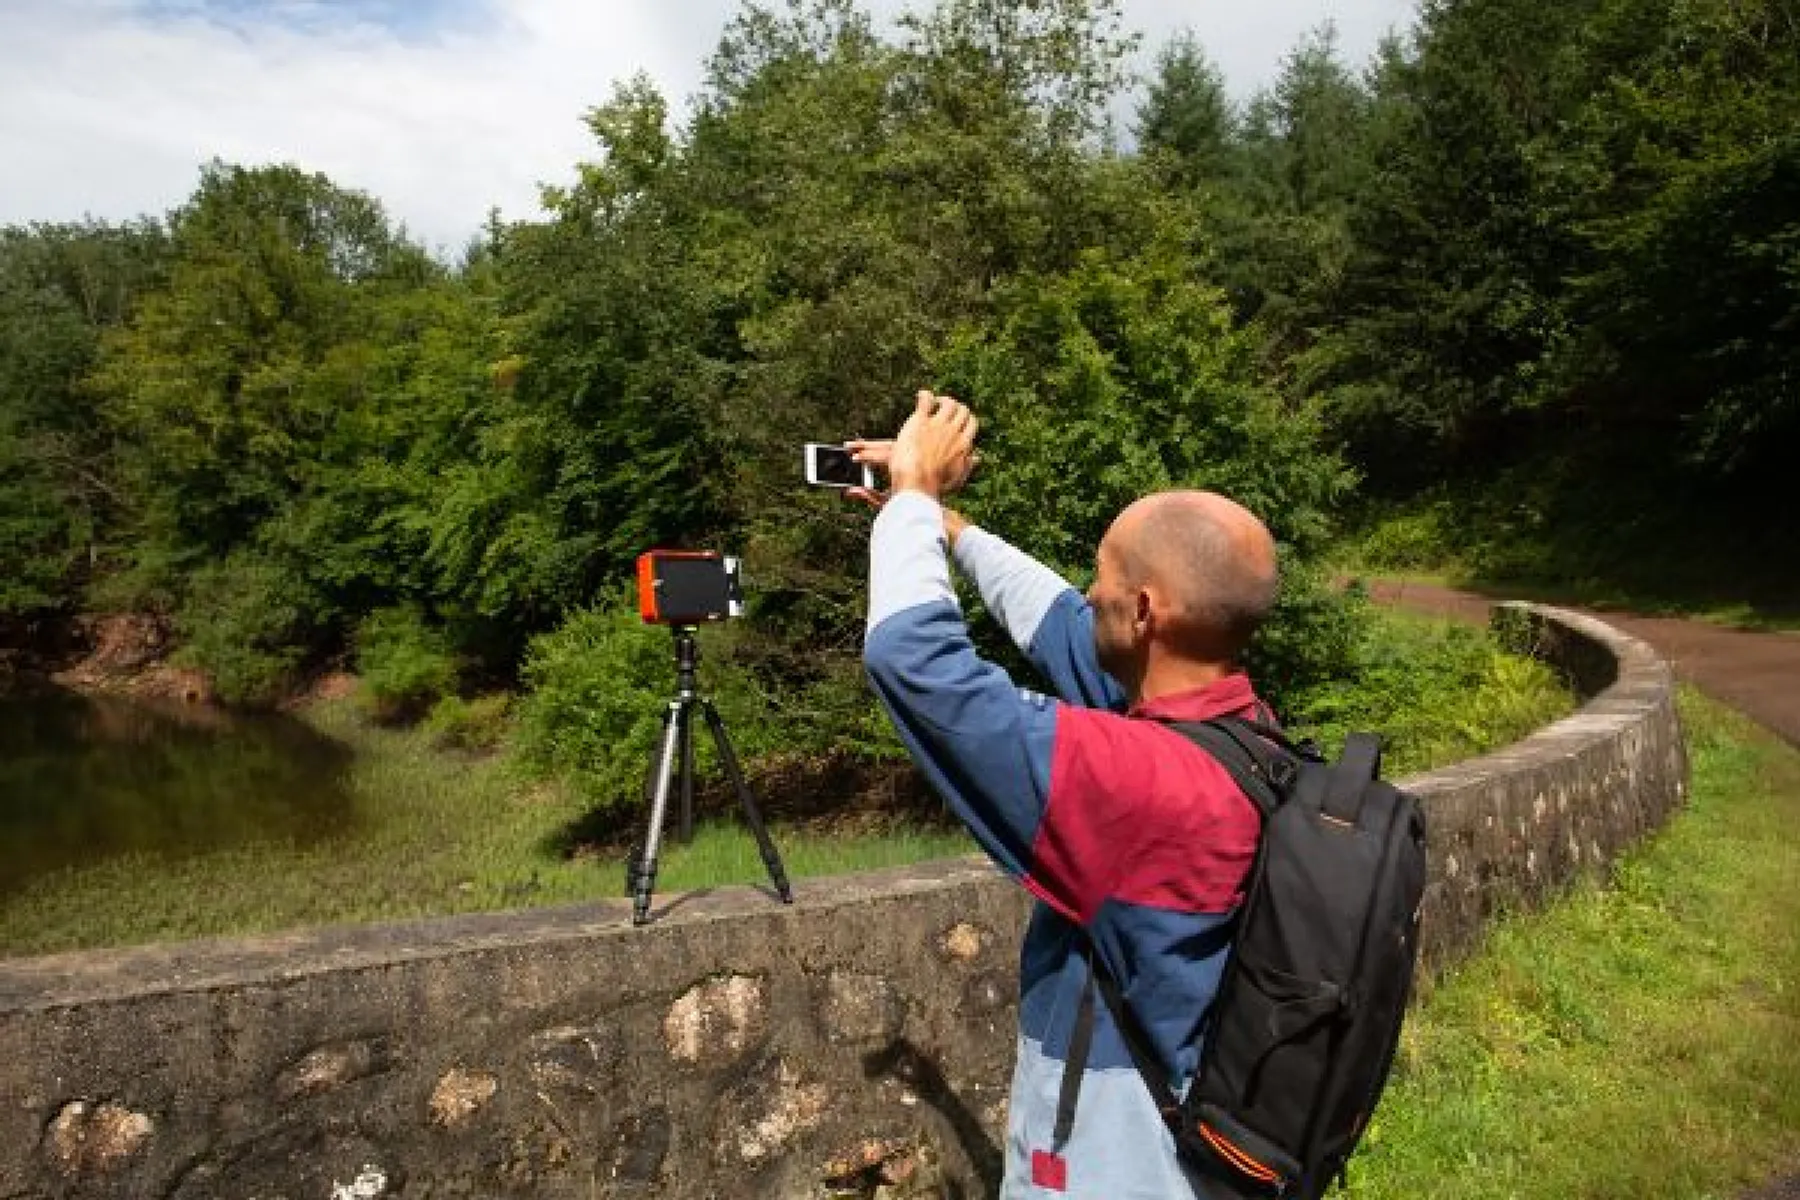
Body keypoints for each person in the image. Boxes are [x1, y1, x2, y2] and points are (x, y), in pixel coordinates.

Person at [855, 390, 1281, 1199]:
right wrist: (944, 524)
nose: (1088, 592)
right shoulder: (1241, 737)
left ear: (1147, 610)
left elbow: (916, 664)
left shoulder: (1139, 790)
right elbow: (1057, 623)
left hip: (1113, 1171)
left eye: (1104, 576)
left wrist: (911, 497)